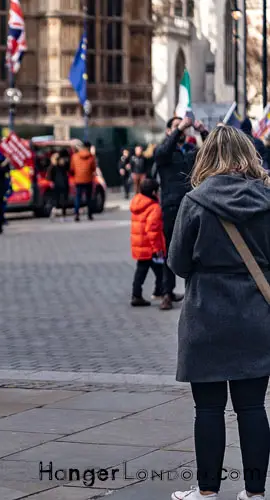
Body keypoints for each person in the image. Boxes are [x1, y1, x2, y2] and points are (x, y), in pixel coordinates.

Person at [168, 125, 270, 500]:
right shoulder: (267, 200)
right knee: (252, 406)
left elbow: (177, 262)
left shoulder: (195, 202)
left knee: (208, 409)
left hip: (206, 316)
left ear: (207, 156)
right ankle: (255, 492)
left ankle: (207, 491)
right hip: (256, 316)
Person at [153, 115, 208, 310]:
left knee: (195, 251)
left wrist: (202, 130)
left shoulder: (189, 153)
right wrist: (179, 129)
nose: (182, 129)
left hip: (192, 207)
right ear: (169, 132)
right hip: (171, 207)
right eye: (176, 127)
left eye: (183, 127)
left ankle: (193, 293)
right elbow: (162, 154)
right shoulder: (164, 152)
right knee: (170, 250)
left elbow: (212, 153)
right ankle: (167, 293)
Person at [129, 178, 165, 307]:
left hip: (140, 245)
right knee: (160, 271)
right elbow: (152, 231)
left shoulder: (137, 203)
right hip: (150, 247)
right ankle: (157, 292)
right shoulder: (154, 207)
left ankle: (137, 294)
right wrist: (157, 249)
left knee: (141, 271)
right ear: (154, 192)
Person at [70, 141, 97, 222]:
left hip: (78, 180)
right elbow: (93, 168)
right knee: (89, 197)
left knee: (78, 197)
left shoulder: (74, 156)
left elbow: (72, 168)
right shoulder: (91, 157)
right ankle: (89, 214)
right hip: (88, 179)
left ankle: (76, 214)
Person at [47, 152, 69, 220]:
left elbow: (49, 177)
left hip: (57, 185)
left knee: (56, 200)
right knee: (62, 201)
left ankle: (54, 213)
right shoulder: (62, 166)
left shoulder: (53, 167)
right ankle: (62, 215)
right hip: (62, 185)